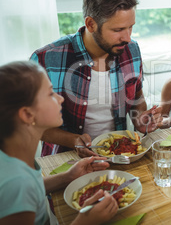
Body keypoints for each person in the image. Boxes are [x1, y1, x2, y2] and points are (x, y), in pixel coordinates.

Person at [30, 0, 161, 157]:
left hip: (121, 156)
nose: (128, 37)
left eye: (130, 27)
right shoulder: (46, 59)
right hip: (65, 160)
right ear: (91, 24)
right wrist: (73, 140)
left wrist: (140, 119)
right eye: (118, 30)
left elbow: (137, 98)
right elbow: (33, 124)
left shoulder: (131, 49)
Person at [0, 61, 118, 225]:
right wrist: (84, 222)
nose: (60, 98)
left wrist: (67, 177)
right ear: (27, 114)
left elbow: (32, 187)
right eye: (50, 94)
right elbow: (22, 189)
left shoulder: (12, 160)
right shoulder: (16, 183)